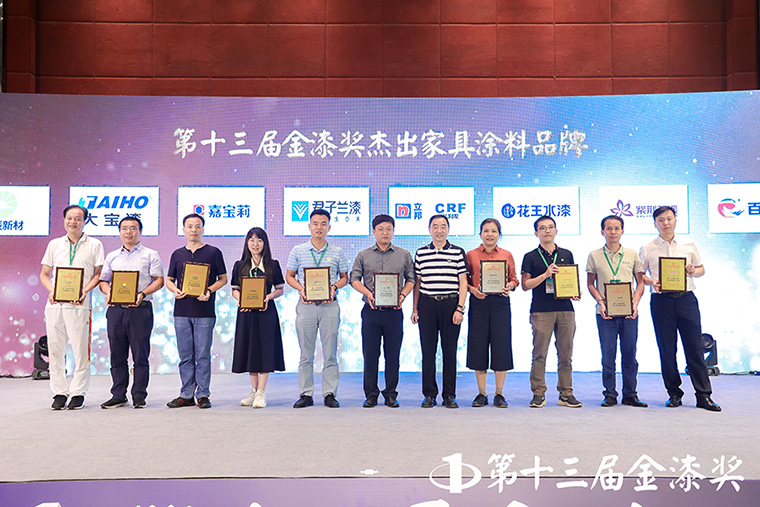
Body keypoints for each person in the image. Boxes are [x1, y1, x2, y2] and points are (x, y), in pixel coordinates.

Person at [639, 206, 721, 411]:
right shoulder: (647, 247)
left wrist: (693, 270)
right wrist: (652, 282)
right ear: (655, 223)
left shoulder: (688, 244)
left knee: (694, 348)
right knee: (667, 349)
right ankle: (674, 393)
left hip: (686, 300)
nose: (665, 223)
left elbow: (701, 269)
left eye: (669, 218)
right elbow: (640, 275)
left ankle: (703, 395)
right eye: (661, 220)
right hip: (661, 301)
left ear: (675, 220)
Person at [39, 205, 104, 410]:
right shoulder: (54, 244)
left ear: (85, 221)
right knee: (55, 350)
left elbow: (98, 275)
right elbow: (44, 274)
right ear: (64, 220)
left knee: (80, 351)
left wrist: (84, 291)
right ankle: (59, 392)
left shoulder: (94, 244)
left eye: (77, 218)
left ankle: (78, 392)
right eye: (69, 218)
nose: (73, 222)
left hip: (80, 305)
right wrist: (52, 291)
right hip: (55, 305)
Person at [99, 216, 164, 409]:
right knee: (117, 355)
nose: (129, 232)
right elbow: (103, 281)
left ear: (140, 232)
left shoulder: (150, 254)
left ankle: (139, 395)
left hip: (140, 310)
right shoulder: (112, 256)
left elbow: (159, 280)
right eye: (125, 228)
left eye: (133, 228)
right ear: (119, 232)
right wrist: (108, 292)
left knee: (140, 355)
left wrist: (142, 294)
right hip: (116, 311)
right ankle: (118, 394)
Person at [350, 214, 415, 408]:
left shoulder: (404, 254)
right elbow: (354, 279)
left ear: (393, 231)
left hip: (394, 312)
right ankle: (371, 394)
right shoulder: (363, 255)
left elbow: (411, 279)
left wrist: (402, 295)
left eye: (388, 229)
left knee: (392, 356)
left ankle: (391, 394)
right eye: (380, 229)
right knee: (370, 355)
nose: (385, 233)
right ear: (373, 232)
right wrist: (368, 293)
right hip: (371, 311)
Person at [286, 209, 348, 408]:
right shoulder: (298, 250)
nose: (319, 227)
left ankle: (330, 393)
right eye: (315, 223)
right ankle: (306, 394)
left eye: (323, 224)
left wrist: (334, 287)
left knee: (330, 353)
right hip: (306, 306)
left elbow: (345, 277)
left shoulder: (337, 252)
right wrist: (301, 289)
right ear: (309, 226)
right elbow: (289, 276)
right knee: (306, 353)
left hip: (330, 306)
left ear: (329, 227)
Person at [165, 213, 227, 409]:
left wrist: (209, 290)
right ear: (184, 230)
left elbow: (223, 279)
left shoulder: (213, 252)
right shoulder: (177, 254)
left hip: (204, 311)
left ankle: (203, 395)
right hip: (181, 311)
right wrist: (175, 290)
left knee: (202, 356)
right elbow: (169, 280)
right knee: (185, 356)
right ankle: (186, 394)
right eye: (190, 226)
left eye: (197, 226)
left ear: (203, 229)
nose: (193, 230)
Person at [521, 215, 582, 408]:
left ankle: (566, 393)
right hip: (541, 310)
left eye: (550, 227)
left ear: (556, 231)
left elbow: (570, 278)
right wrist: (545, 274)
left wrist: (574, 291)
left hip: (565, 309)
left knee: (566, 354)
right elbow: (525, 285)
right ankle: (538, 393)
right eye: (542, 228)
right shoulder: (530, 256)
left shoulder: (566, 254)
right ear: (536, 233)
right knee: (539, 354)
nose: (547, 231)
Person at [586, 215, 647, 408]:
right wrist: (601, 301)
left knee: (630, 354)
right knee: (608, 355)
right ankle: (610, 394)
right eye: (609, 228)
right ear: (602, 231)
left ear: (622, 231)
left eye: (616, 228)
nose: (613, 232)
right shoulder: (594, 255)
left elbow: (640, 282)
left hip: (629, 313)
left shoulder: (632, 255)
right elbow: (590, 284)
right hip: (605, 313)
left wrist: (635, 302)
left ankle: (630, 394)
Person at [411, 214, 468, 409]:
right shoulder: (421, 253)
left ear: (448, 229)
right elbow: (418, 283)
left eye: (443, 226)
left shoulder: (458, 252)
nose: (439, 230)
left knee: (449, 351)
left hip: (450, 304)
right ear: (429, 230)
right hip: (427, 305)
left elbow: (463, 282)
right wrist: (415, 308)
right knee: (428, 351)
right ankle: (429, 394)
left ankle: (449, 395)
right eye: (435, 226)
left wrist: (460, 308)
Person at [466, 218, 519, 408]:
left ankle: (499, 393)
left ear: (499, 234)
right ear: (480, 234)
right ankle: (481, 393)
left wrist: (509, 286)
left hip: (500, 303)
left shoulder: (507, 254)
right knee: (478, 346)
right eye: (486, 231)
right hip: (478, 302)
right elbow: (464, 281)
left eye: (494, 231)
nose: (490, 234)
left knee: (501, 346)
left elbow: (514, 279)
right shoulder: (471, 255)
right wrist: (473, 290)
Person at [232, 227, 285, 409]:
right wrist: (240, 300)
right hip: (246, 314)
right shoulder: (239, 265)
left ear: (265, 243)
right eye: (252, 240)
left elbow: (280, 289)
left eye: (259, 240)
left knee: (265, 350)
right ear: (247, 243)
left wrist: (268, 297)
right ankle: (254, 391)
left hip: (266, 313)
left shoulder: (273, 265)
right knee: (250, 350)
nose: (255, 244)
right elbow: (235, 289)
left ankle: (261, 392)